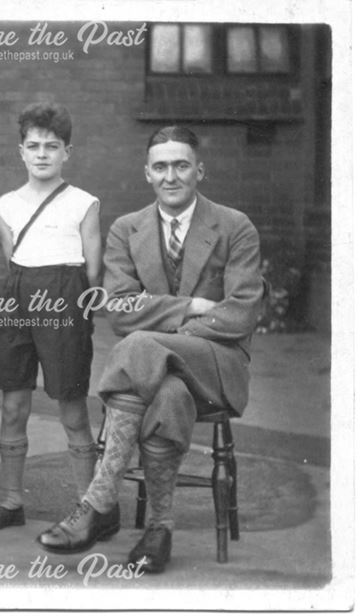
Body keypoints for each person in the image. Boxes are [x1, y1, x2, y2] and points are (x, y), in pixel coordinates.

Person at [38, 126, 265, 574]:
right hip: (160, 378)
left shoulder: (235, 226)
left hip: (217, 367)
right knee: (167, 394)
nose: (171, 176)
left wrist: (164, 325)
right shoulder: (127, 229)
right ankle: (159, 528)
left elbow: (240, 313)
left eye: (181, 165)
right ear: (147, 173)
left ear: (200, 170)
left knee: (140, 345)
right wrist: (192, 306)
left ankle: (101, 500)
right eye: (160, 167)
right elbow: (120, 310)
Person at [0, 103, 105, 532]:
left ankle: (89, 508)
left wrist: (74, 307)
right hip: (18, 294)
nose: (43, 153)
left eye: (52, 146)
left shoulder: (84, 203)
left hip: (66, 294)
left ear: (68, 151)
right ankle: (12, 500)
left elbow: (92, 267)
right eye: (34, 146)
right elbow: (14, 257)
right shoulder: (5, 205)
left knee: (70, 404)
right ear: (21, 151)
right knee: (13, 405)